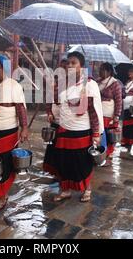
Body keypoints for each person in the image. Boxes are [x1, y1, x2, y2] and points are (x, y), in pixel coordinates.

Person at [51, 52, 103, 203]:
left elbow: (93, 111)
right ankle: (65, 189)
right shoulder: (63, 83)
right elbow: (59, 104)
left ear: (82, 66)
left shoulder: (90, 84)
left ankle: (87, 188)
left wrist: (96, 133)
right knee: (64, 161)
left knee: (82, 162)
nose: (70, 66)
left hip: (81, 130)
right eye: (68, 63)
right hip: (64, 127)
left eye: (74, 63)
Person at [0, 54, 28, 211]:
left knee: (4, 163)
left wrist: (24, 128)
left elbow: (21, 108)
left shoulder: (14, 85)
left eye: (0, 67)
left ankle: (2, 195)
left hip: (8, 130)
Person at [44, 59, 67, 176]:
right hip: (54, 121)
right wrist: (49, 113)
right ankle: (54, 171)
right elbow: (48, 102)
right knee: (52, 147)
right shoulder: (54, 84)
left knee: (62, 149)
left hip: (66, 123)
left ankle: (62, 172)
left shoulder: (72, 86)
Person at [97, 63, 122, 159]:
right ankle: (100, 150)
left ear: (109, 72)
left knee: (108, 133)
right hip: (98, 112)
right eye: (100, 69)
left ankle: (109, 151)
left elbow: (119, 100)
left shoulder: (115, 84)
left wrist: (116, 115)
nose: (100, 72)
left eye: (102, 70)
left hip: (108, 113)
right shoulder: (97, 81)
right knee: (99, 133)